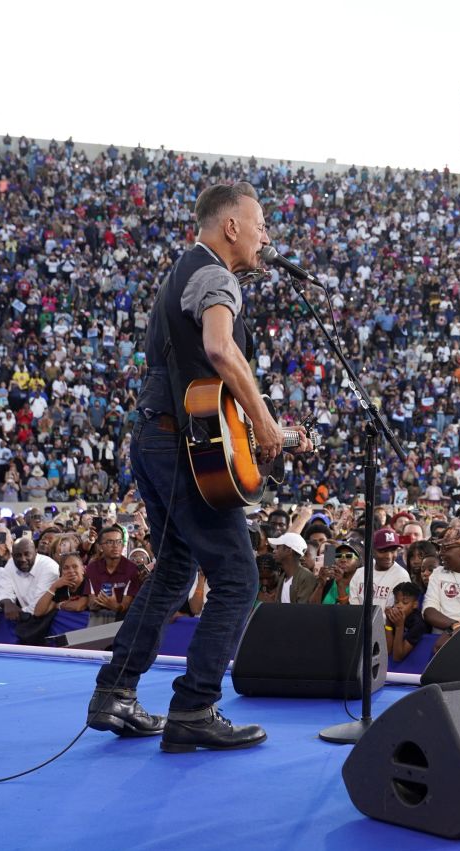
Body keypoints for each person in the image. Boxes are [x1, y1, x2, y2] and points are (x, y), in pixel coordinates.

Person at [89, 182, 312, 752]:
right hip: (181, 449)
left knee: (173, 569)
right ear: (231, 226)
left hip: (157, 439)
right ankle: (194, 707)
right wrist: (265, 422)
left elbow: (201, 385)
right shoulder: (216, 277)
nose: (267, 235)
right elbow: (218, 350)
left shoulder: (179, 276)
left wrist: (269, 427)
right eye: (260, 223)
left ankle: (114, 692)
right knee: (238, 578)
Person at [0, 538, 61, 645]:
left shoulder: (49, 567)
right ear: (12, 555)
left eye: (27, 554)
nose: (23, 559)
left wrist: (18, 613)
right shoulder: (10, 564)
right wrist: (7, 603)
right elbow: (2, 590)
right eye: (18, 555)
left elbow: (37, 607)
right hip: (25, 624)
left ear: (36, 552)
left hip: (47, 624)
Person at [83, 525, 140, 627]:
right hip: (97, 618)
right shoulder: (92, 568)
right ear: (100, 547)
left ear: (123, 545)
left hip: (123, 619)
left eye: (118, 541)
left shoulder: (132, 569)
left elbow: (125, 605)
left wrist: (114, 606)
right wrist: (97, 603)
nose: (115, 546)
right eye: (109, 542)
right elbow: (91, 603)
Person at [349, 528, 411, 608]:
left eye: (393, 551)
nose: (388, 556)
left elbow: (396, 611)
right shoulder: (360, 573)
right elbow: (354, 608)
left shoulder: (402, 576)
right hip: (359, 619)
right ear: (372, 551)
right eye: (383, 551)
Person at [266, 532, 318, 603]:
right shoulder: (283, 577)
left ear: (289, 550)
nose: (274, 551)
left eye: (278, 547)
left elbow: (303, 610)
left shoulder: (306, 577)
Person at [384, 581, 427, 663]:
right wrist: (388, 622)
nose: (399, 606)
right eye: (396, 602)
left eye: (405, 602)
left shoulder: (418, 624)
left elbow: (397, 657)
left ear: (415, 604)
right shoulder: (394, 617)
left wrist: (399, 627)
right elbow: (387, 651)